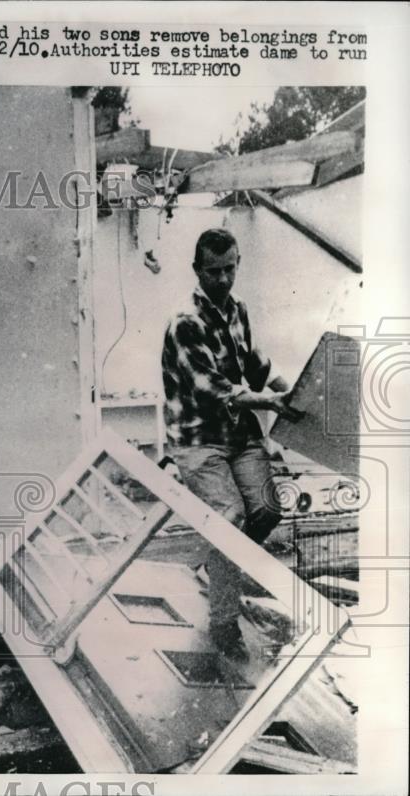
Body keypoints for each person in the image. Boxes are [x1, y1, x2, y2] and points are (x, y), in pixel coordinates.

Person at [161, 228, 303, 661]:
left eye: (229, 269)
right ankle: (224, 624)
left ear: (237, 264)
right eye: (212, 271)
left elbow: (255, 359)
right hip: (198, 439)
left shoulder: (238, 309)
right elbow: (215, 389)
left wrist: (295, 392)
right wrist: (274, 402)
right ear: (196, 270)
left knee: (267, 509)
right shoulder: (185, 323)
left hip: (238, 434)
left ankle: (218, 563)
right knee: (230, 517)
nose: (222, 280)